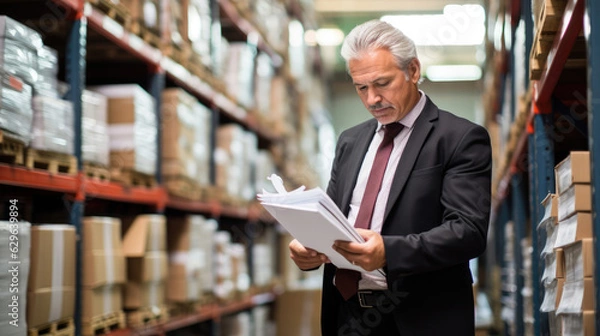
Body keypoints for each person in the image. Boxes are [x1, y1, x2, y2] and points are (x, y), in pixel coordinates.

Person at [288, 19, 492, 335]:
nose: (372, 99)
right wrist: (310, 250)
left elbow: (468, 232)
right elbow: (331, 219)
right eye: (361, 87)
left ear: (413, 70)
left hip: (422, 319)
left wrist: (389, 252)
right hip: (349, 315)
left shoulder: (459, 138)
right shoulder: (350, 142)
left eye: (382, 83)